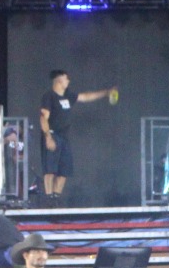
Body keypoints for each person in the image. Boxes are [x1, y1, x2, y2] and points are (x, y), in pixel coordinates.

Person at [39, 69, 117, 204]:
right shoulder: (49, 96)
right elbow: (43, 117)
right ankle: (48, 198)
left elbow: (85, 97)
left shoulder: (68, 95)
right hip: (52, 134)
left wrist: (105, 93)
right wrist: (48, 137)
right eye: (66, 78)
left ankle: (56, 198)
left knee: (64, 171)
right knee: (50, 169)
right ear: (59, 80)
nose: (68, 80)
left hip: (64, 137)